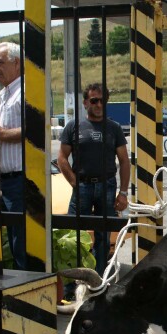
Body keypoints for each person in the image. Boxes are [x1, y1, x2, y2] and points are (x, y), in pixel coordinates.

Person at [56, 83, 130, 300]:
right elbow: (62, 158)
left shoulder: (113, 128)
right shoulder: (73, 127)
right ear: (85, 102)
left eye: (102, 101)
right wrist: (74, 183)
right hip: (83, 186)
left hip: (106, 185)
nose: (99, 105)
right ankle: (70, 290)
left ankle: (99, 286)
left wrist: (123, 193)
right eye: (94, 100)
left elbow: (124, 161)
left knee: (103, 237)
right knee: (73, 237)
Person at [0, 41, 28, 268]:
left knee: (21, 241)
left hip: (21, 178)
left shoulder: (26, 91)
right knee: (12, 239)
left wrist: (1, 134)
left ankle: (30, 290)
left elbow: (34, 131)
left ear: (16, 63)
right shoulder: (4, 94)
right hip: (5, 178)